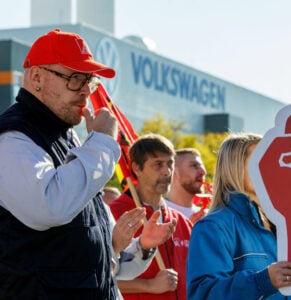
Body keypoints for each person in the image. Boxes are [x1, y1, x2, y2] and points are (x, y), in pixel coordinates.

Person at [0, 29, 176, 300]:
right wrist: (103, 143)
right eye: (75, 79)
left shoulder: (68, 139)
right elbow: (49, 207)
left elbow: (95, 261)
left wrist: (137, 246)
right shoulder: (12, 137)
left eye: (89, 81)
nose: (85, 91)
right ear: (36, 77)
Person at [187, 133, 291, 300]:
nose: (269, 167)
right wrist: (262, 281)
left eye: (271, 159)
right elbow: (203, 294)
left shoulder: (282, 222)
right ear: (234, 167)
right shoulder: (213, 227)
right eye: (260, 160)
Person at [109, 133, 193, 300]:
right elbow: (97, 275)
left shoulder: (182, 222)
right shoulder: (114, 213)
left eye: (170, 163)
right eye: (158, 164)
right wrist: (148, 285)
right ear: (137, 168)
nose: (166, 171)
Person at [165, 148, 208, 223]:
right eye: (194, 166)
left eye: (202, 167)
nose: (203, 172)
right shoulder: (157, 213)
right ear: (173, 173)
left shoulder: (207, 215)